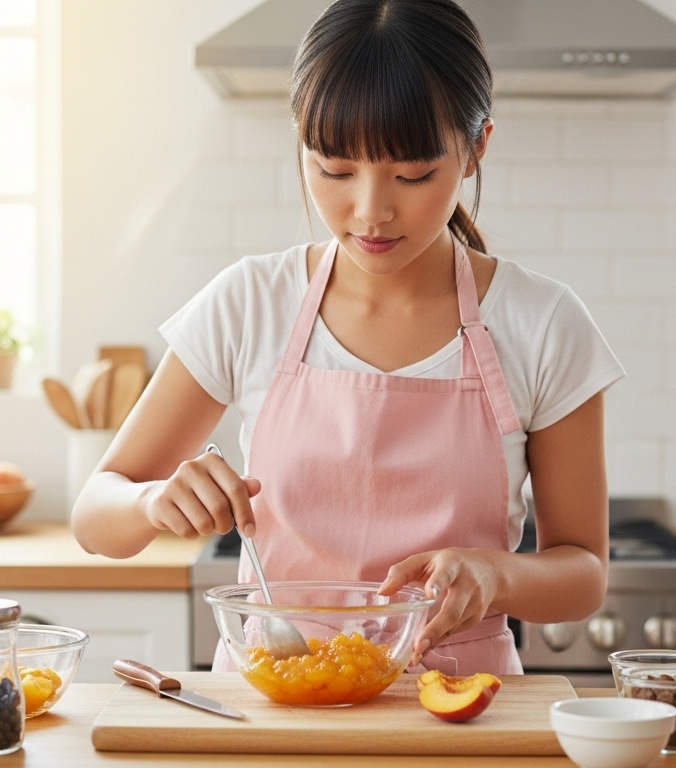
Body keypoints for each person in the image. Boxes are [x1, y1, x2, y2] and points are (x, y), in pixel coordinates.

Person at [72, 0, 623, 675]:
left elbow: (585, 573)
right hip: (275, 708)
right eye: (334, 169)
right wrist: (152, 500)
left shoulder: (543, 324)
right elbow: (94, 516)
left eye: (413, 174)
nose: (370, 210)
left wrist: (496, 576)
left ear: (477, 147)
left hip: (458, 716)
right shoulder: (249, 302)